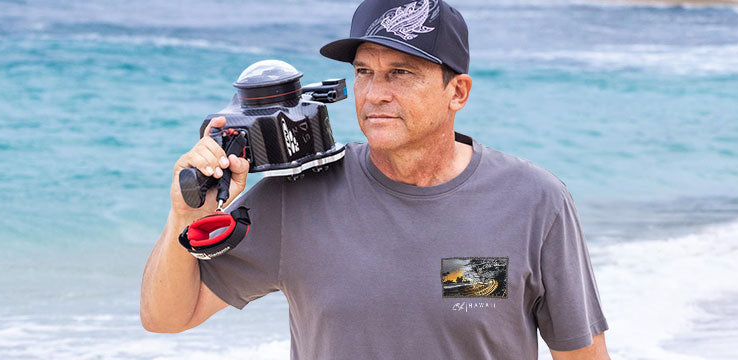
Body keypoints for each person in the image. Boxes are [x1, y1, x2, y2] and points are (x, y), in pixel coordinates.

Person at [137, 0, 611, 358]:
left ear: (457, 92)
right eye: (365, 71)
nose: (376, 93)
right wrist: (185, 216)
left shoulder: (534, 201)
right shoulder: (296, 195)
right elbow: (166, 317)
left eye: (401, 73)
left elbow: (582, 354)